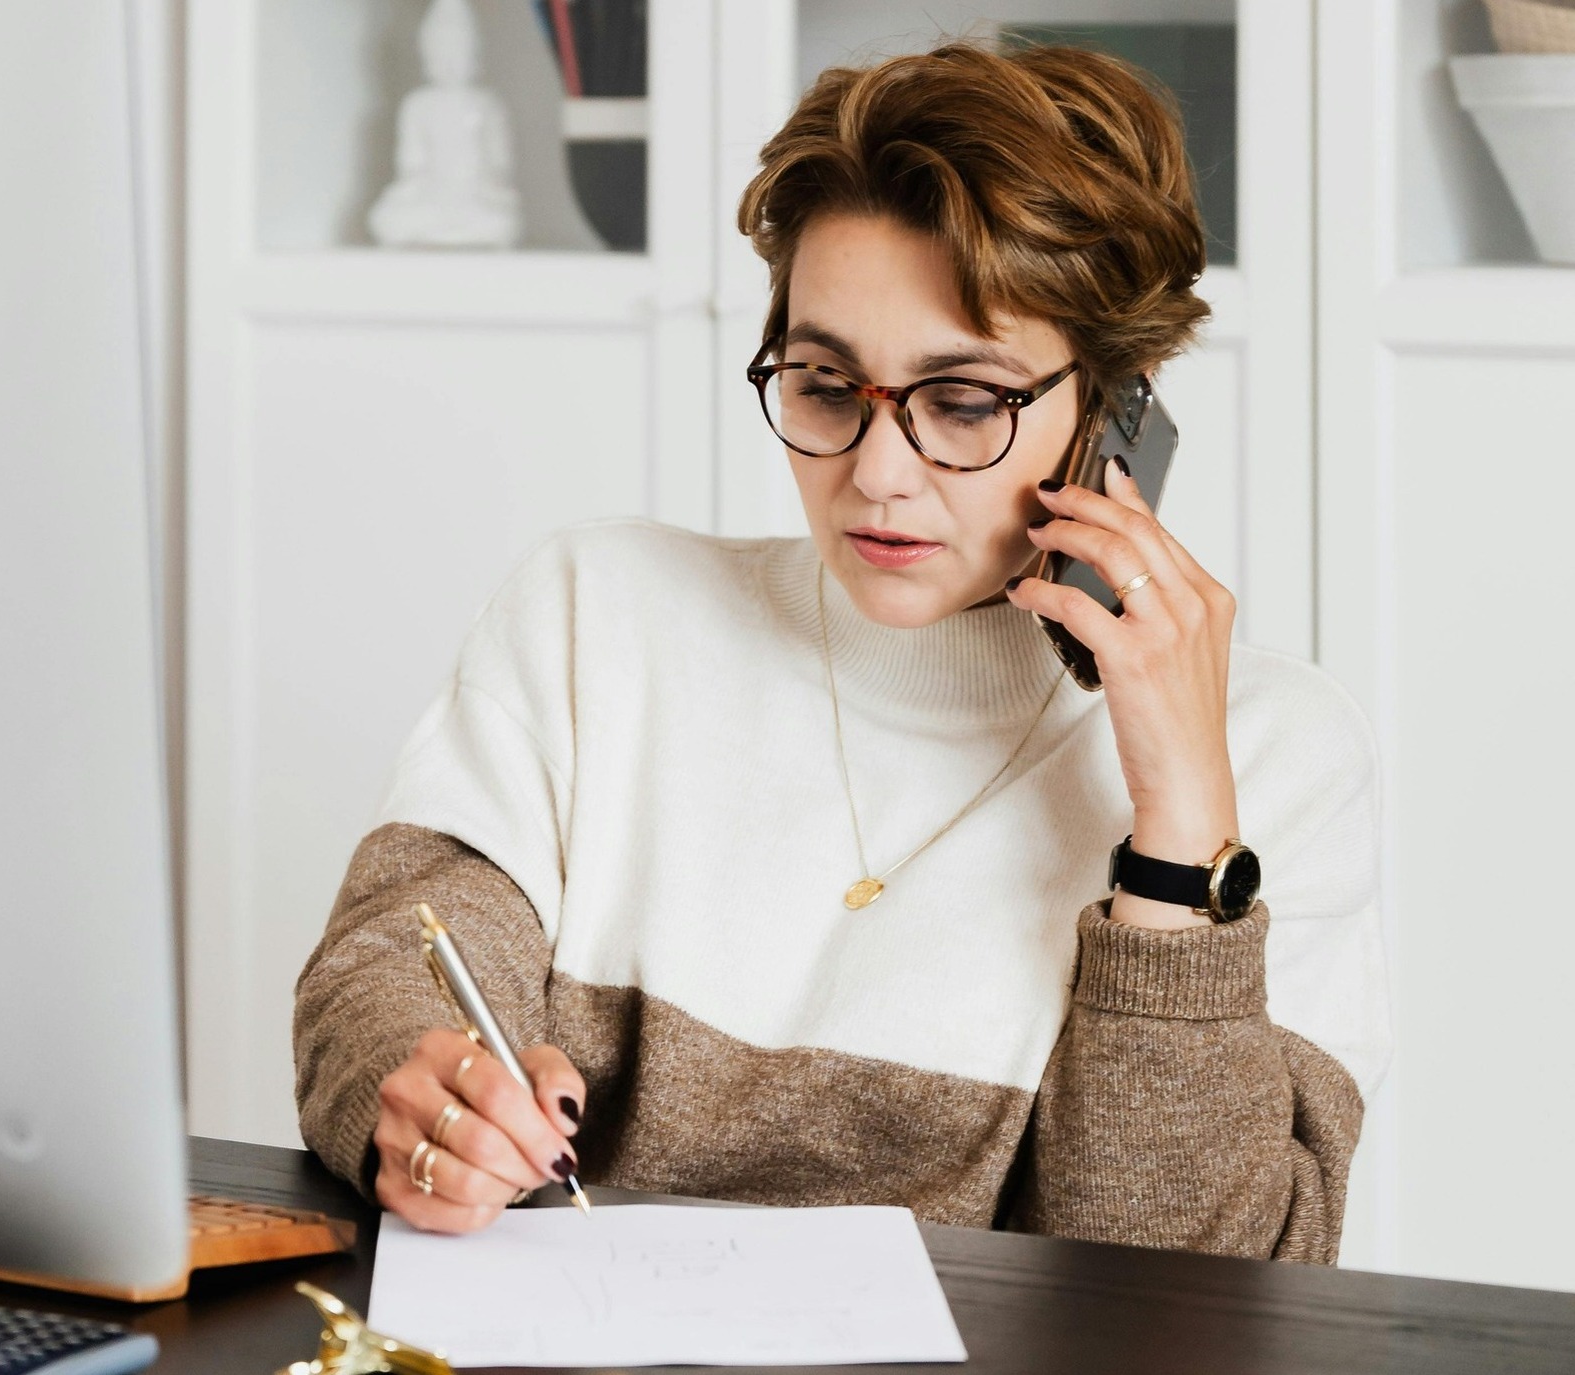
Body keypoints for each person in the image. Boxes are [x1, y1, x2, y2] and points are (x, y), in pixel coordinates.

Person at [292, 41, 1388, 1263]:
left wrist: (1180, 838)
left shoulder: (1278, 756)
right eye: (823, 385)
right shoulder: (595, 613)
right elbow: (386, 975)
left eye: (962, 402)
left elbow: (1188, 1289)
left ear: (1118, 409)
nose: (874, 475)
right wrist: (422, 1091)